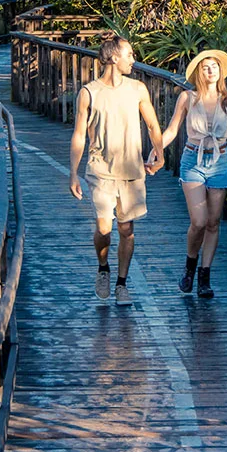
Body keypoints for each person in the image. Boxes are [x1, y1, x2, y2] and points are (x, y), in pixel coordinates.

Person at [68, 36, 164, 307]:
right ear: (113, 57)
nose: (133, 59)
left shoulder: (137, 89)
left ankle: (121, 283)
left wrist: (159, 153)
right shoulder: (89, 92)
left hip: (132, 170)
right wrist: (73, 173)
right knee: (103, 228)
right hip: (99, 170)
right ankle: (103, 268)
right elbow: (79, 135)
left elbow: (153, 125)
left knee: (126, 228)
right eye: (130, 54)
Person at [162, 49, 227, 298]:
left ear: (221, 71)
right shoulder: (188, 98)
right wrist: (156, 150)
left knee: (213, 222)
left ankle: (204, 276)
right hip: (193, 160)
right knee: (198, 221)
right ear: (199, 72)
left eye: (214, 66)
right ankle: (189, 266)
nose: (210, 71)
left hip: (220, 161)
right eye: (205, 67)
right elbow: (173, 129)